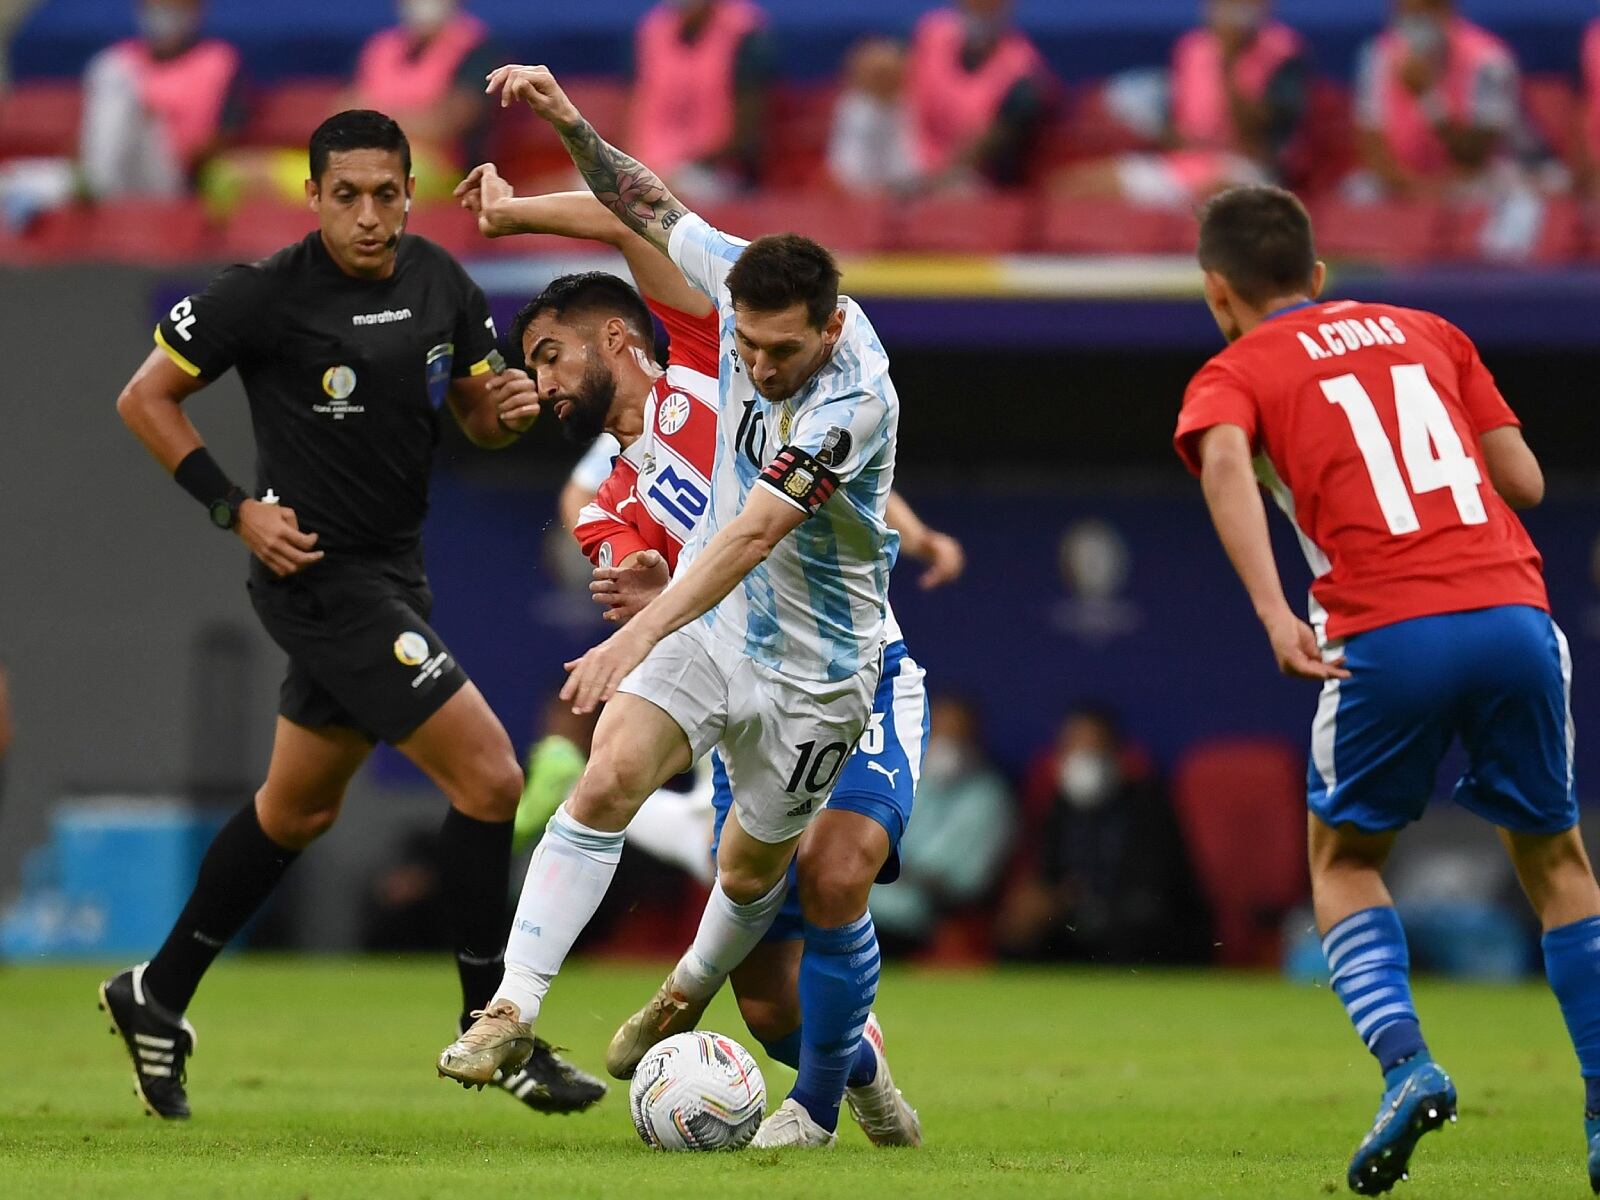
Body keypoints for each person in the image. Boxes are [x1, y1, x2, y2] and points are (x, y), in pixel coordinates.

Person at [99, 109, 604, 1123]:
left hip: (395, 571)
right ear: (314, 197)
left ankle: (154, 994)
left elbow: (471, 415)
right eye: (347, 196)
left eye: (386, 193)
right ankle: (492, 1028)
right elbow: (144, 398)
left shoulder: (443, 287)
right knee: (492, 775)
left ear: (410, 194)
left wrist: (497, 419)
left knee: (297, 809)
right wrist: (235, 507)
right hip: (318, 576)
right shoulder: (264, 293)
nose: (369, 215)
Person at [440, 64, 909, 1149]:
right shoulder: (658, 412)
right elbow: (641, 203)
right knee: (605, 772)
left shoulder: (844, 403)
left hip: (821, 663)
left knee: (755, 889)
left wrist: (636, 630)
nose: (758, 363)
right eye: (747, 343)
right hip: (711, 633)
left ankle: (691, 992)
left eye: (781, 351)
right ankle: (508, 1009)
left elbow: (749, 534)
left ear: (831, 330)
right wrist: (562, 128)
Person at [1174, 184, 1599, 1194]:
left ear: (1216, 292)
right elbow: (1526, 482)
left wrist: (1277, 613)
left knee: (1345, 857)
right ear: (1317, 276)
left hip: (1383, 629)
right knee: (1556, 861)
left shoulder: (1234, 367)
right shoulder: (1430, 330)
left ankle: (1406, 1064)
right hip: (1511, 615)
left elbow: (1223, 458)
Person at [996, 706, 1207, 965]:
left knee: (1133, 934)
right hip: (1074, 921)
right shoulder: (1058, 809)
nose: (1085, 758)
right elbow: (1048, 877)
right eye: (1075, 747)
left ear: (1117, 753)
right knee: (1020, 932)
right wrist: (1042, 902)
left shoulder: (1149, 806)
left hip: (1134, 925)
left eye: (1094, 748)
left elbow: (1156, 891)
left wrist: (1084, 902)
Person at [1054, 0, 1309, 209]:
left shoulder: (1285, 54)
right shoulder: (1192, 47)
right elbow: (1178, 130)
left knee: (1221, 195)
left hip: (1249, 171)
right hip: (1187, 163)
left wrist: (1229, 62)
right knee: (1074, 186)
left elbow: (1258, 145)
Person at [869, 694, 1012, 957]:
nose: (946, 745)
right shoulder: (893, 780)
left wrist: (900, 869)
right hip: (860, 914)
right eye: (939, 732)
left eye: (957, 736)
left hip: (922, 925)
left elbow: (968, 885)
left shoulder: (989, 798)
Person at [1347, 0, 1523, 202]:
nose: (1412, 24)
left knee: (1509, 198)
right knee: (1359, 193)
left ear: (1446, 11)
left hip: (1471, 180)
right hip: (1400, 181)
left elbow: (1475, 156)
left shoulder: (1489, 60)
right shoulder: (1378, 54)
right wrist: (1412, 188)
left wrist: (1428, 98)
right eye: (1405, 14)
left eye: (1422, 13)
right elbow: (1372, 145)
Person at [78, 0, 244, 199]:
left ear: (197, 10)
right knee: (111, 72)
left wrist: (189, 160)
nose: (162, 16)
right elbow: (94, 131)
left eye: (173, 9)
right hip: (120, 165)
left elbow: (229, 131)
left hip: (178, 173)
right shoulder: (120, 58)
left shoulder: (219, 60)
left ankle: (96, 187)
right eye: (155, 8)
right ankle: (96, 185)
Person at [350, 0, 498, 199]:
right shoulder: (381, 47)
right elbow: (343, 110)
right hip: (362, 157)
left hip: (442, 168)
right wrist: (411, 118)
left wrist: (370, 117)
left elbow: (445, 124)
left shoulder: (477, 51)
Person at [628, 0, 773, 198]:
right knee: (590, 189)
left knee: (684, 191)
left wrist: (681, 167)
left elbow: (746, 130)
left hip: (718, 171)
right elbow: (635, 108)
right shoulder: (654, 29)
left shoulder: (745, 34)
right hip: (652, 164)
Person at [904, 0, 1050, 191]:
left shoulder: (1022, 69)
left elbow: (997, 137)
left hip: (972, 180)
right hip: (905, 155)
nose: (980, 7)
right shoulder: (932, 33)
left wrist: (936, 180)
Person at [827, 37, 919, 196]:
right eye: (880, 75)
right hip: (855, 194)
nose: (888, 80)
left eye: (893, 73)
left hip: (897, 189)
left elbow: (907, 165)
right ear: (858, 75)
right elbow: (848, 172)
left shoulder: (904, 106)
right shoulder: (854, 111)